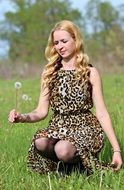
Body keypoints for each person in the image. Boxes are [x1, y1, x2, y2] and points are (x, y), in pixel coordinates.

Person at [8, 20, 122, 175]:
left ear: (76, 40)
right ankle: (69, 168)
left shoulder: (90, 72)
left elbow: (101, 112)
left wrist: (116, 150)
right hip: (59, 126)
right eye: (56, 43)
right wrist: (22, 117)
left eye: (64, 41)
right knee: (40, 142)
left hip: (84, 127)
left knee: (62, 149)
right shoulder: (50, 72)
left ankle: (80, 166)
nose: (60, 46)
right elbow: (41, 111)